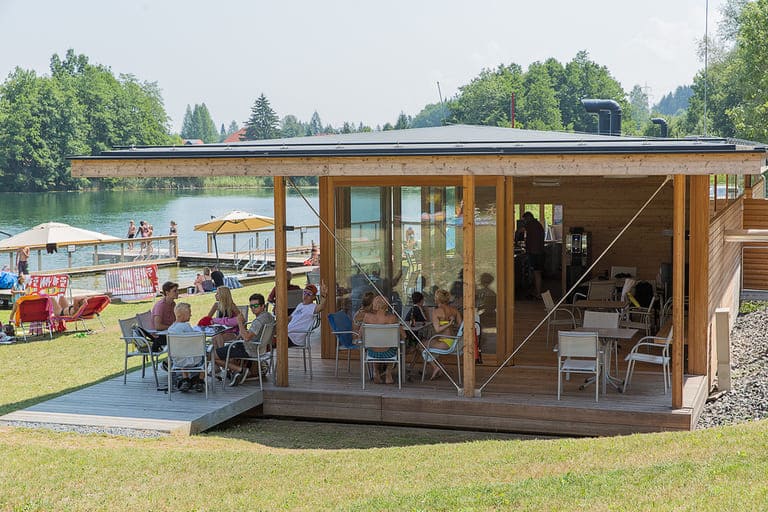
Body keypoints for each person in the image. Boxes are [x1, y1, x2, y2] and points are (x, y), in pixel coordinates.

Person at [213, 293, 273, 386]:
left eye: (256, 306)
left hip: (248, 348)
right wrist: (238, 338)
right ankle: (234, 371)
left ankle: (240, 370)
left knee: (212, 355)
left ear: (262, 306)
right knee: (228, 351)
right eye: (251, 306)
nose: (253, 308)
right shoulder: (269, 316)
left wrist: (240, 323)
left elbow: (246, 337)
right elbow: (249, 334)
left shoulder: (258, 321)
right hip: (260, 348)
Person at [361, 295, 405, 385]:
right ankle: (388, 373)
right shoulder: (392, 318)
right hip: (389, 353)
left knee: (375, 344)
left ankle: (376, 371)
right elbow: (404, 335)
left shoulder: (367, 317)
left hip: (372, 353)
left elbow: (360, 334)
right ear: (387, 305)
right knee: (395, 346)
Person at [167, 302, 205, 393]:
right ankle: (200, 381)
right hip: (193, 360)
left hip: (177, 361)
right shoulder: (186, 326)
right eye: (189, 313)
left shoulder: (170, 329)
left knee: (182, 352)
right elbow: (195, 340)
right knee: (207, 353)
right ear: (182, 315)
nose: (191, 315)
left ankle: (186, 379)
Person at [426, 288, 461, 381]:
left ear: (437, 299)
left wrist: (449, 324)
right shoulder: (454, 310)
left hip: (445, 343)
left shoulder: (436, 312)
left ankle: (436, 367)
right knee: (429, 343)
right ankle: (440, 366)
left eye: (435, 297)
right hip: (454, 342)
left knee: (420, 345)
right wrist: (452, 323)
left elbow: (437, 329)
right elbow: (460, 326)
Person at [287, 282, 328, 346]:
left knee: (272, 340)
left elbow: (321, 307)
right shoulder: (300, 305)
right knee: (271, 333)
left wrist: (324, 296)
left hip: (294, 338)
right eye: (305, 292)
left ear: (313, 297)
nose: (305, 295)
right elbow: (290, 318)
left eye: (309, 294)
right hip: (287, 334)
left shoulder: (312, 307)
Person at [520, 211, 545, 299]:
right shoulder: (538, 224)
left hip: (534, 253)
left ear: (528, 218)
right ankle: (537, 291)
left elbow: (520, 230)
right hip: (540, 252)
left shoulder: (531, 224)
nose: (524, 222)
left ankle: (538, 293)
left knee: (536, 273)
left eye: (524, 220)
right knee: (537, 273)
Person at [149, 281, 179, 350]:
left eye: (177, 290)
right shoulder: (161, 306)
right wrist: (173, 328)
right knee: (185, 338)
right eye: (175, 291)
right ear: (167, 293)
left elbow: (174, 321)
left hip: (168, 333)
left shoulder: (173, 304)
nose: (177, 292)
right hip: (159, 337)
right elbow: (158, 326)